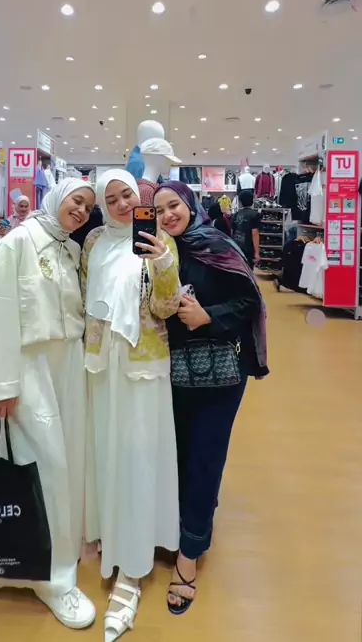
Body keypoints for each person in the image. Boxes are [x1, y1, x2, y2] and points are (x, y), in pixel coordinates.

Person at [0, 178, 97, 629]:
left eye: (88, 207)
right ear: (57, 198)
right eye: (76, 201)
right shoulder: (19, 241)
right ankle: (55, 580)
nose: (81, 211)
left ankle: (41, 556)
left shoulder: (71, 249)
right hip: (31, 366)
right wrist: (1, 383)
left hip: (69, 364)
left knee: (68, 463)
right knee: (45, 467)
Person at [153, 181, 268, 615]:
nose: (168, 215)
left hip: (219, 375)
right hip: (173, 373)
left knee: (204, 457)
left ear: (190, 205)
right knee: (181, 455)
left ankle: (189, 556)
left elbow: (249, 300)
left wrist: (208, 316)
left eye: (174, 205)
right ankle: (191, 523)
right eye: (159, 210)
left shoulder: (216, 245)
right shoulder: (160, 251)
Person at [81, 169, 181, 641]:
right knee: (107, 451)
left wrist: (162, 263)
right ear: (103, 205)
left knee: (138, 456)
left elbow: (165, 307)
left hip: (142, 363)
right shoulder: (93, 241)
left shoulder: (158, 238)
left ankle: (133, 566)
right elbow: (86, 297)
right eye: (113, 199)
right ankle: (111, 533)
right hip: (101, 364)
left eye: (128, 195)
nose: (123, 205)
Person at [231, 189, 260, 268]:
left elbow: (232, 232)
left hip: (237, 248)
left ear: (240, 202)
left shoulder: (235, 215)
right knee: (248, 270)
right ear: (252, 200)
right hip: (248, 249)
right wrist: (257, 252)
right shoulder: (255, 215)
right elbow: (254, 233)